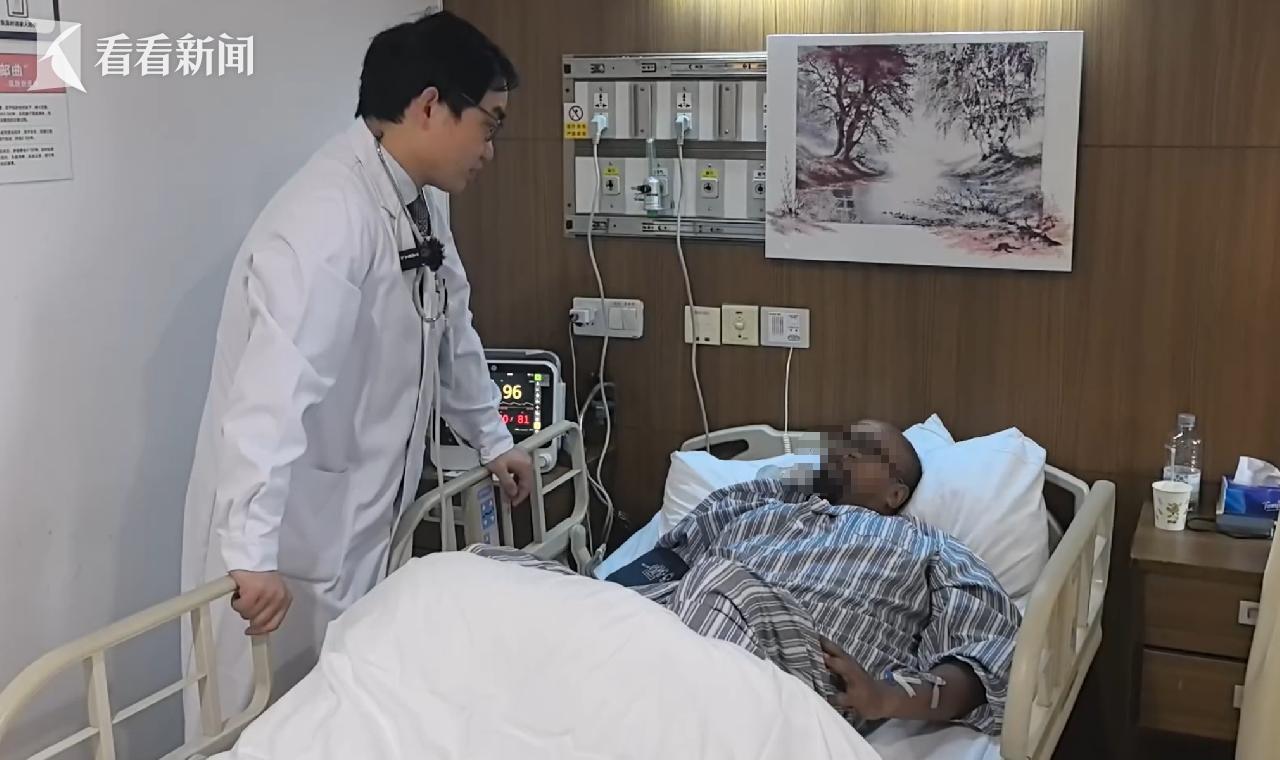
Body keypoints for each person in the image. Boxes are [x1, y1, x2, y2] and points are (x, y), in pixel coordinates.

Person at [179, 10, 534, 738]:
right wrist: (249, 554)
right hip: (284, 554)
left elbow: (450, 326)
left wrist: (493, 437)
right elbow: (271, 396)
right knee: (260, 731)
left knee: (336, 725)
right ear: (431, 105)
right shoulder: (326, 219)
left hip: (357, 529)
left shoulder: (418, 202)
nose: (490, 150)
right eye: (488, 125)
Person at [470, 420, 1022, 735]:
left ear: (897, 493)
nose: (843, 451)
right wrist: (585, 599)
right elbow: (667, 561)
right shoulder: (759, 502)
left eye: (867, 450)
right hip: (668, 625)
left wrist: (884, 697)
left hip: (801, 673)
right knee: (486, 567)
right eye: (843, 439)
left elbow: (982, 661)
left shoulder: (930, 547)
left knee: (722, 584)